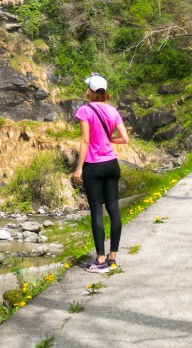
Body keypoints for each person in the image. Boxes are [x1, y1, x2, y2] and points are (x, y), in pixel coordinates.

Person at [71, 72, 129, 272]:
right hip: (112, 164)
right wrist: (109, 141)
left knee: (97, 211)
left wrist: (79, 168)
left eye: (88, 87)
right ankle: (113, 258)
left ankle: (100, 260)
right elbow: (125, 138)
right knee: (114, 210)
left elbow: (85, 141)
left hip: (93, 166)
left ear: (92, 91)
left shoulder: (85, 111)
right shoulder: (113, 111)